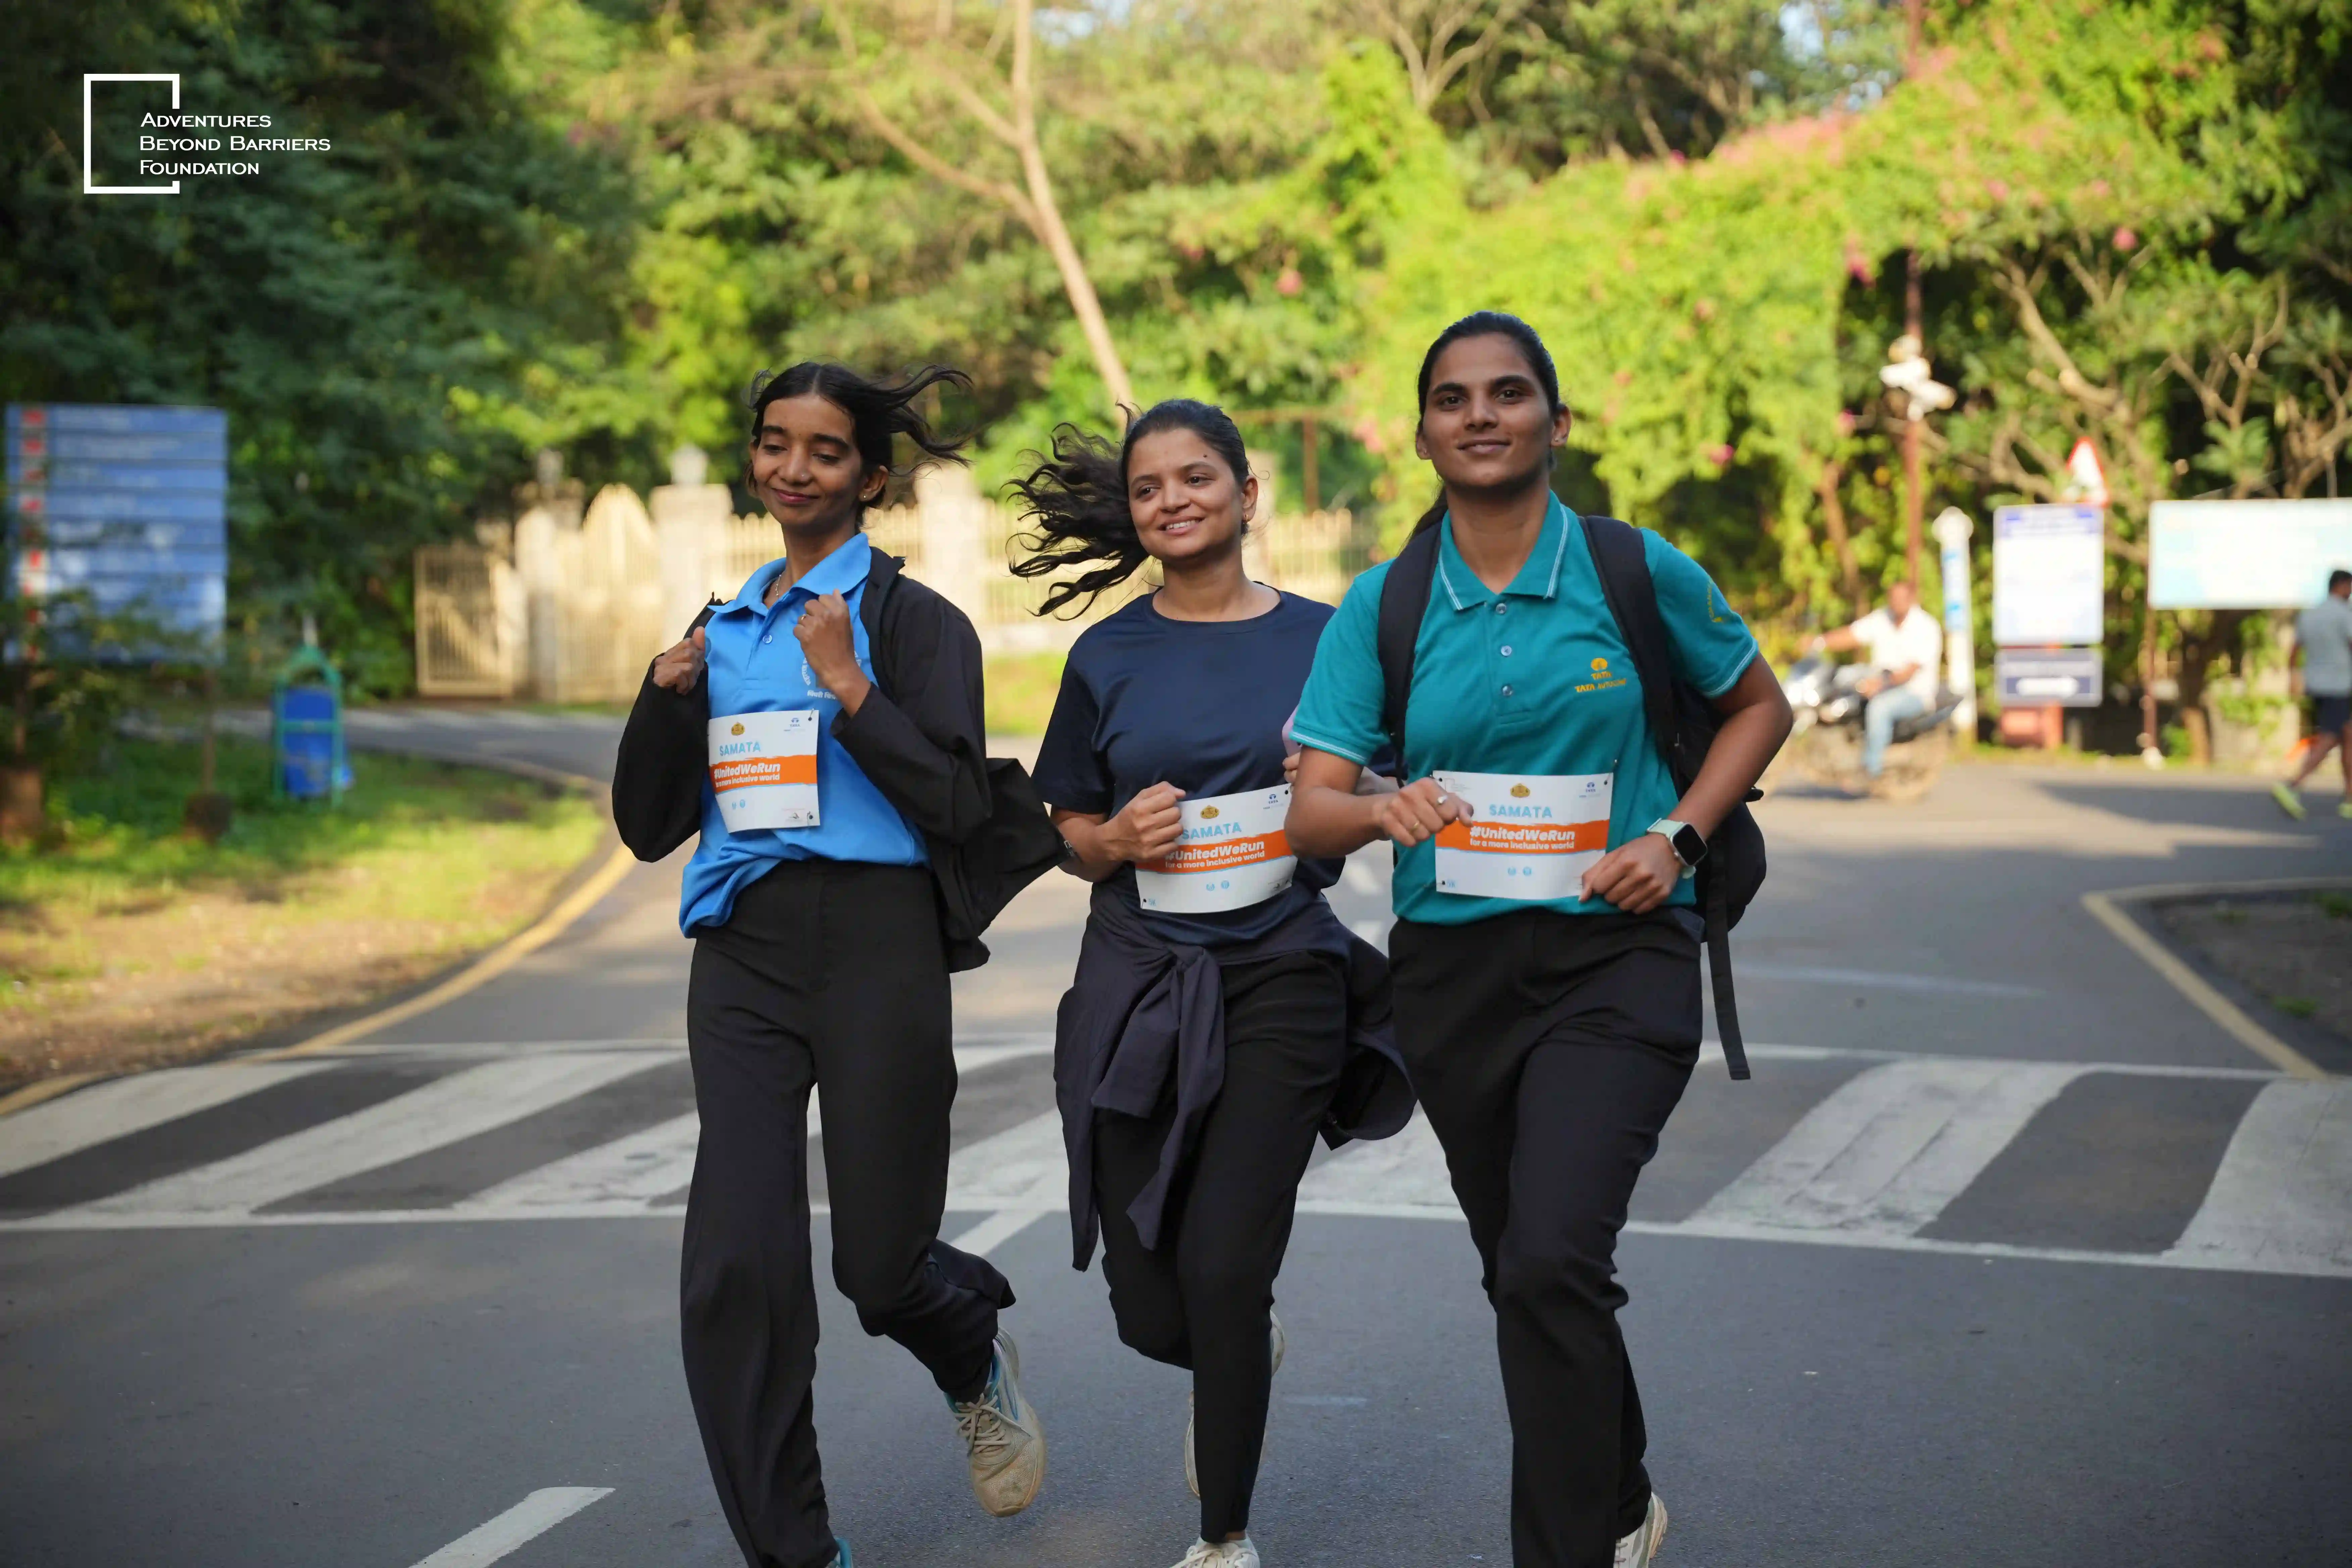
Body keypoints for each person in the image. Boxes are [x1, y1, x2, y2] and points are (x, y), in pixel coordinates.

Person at [1284, 312, 1791, 1568]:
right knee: (1526, 1272)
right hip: (1453, 978)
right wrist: (1378, 805)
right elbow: (1310, 805)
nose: (1482, 415)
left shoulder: (1633, 568)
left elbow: (1757, 705)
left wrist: (1675, 833)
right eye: (1452, 398)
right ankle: (1617, 1495)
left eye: (1509, 394)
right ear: (1423, 433)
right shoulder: (1384, 604)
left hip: (1619, 957)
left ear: (1556, 424)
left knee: (1555, 1248)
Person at [611, 362, 1046, 1568]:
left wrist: (855, 690)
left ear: (871, 475)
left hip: (878, 943)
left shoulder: (916, 625)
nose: (792, 467)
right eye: (774, 443)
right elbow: (649, 826)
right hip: (742, 955)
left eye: (822, 449)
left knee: (878, 1265)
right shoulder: (720, 629)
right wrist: (661, 699)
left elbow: (963, 803)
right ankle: (795, 1552)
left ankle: (969, 1345)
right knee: (736, 1266)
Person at [1014, 400, 1413, 1568]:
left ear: (1248, 494)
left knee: (1224, 1263)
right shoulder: (1106, 656)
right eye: (1149, 487)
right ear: (1133, 514)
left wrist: (1328, 788)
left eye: (1197, 477)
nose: (1173, 499)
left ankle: (1222, 1539)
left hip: (1283, 972)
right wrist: (1115, 841)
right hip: (1140, 981)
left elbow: (1374, 794)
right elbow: (1068, 829)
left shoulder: (1326, 640)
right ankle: (1237, 1343)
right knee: (1153, 1309)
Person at [1809, 579, 1943, 782]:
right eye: (1893, 598)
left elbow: (1910, 671)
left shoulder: (1926, 626)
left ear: (1911, 600)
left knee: (1880, 707)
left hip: (1914, 692)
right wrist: (1819, 643)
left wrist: (1881, 684)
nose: (1897, 603)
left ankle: (1872, 768)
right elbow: (1852, 635)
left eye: (1902, 599)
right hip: (1880, 679)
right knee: (1843, 676)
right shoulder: (1882, 618)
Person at [2272, 567, 2352, 820]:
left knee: (2347, 735)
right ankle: (2293, 785)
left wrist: (2292, 678)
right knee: (2330, 737)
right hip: (2340, 685)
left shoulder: (2311, 615)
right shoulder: (2344, 614)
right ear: (2341, 586)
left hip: (2316, 684)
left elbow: (2295, 650)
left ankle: (2350, 798)